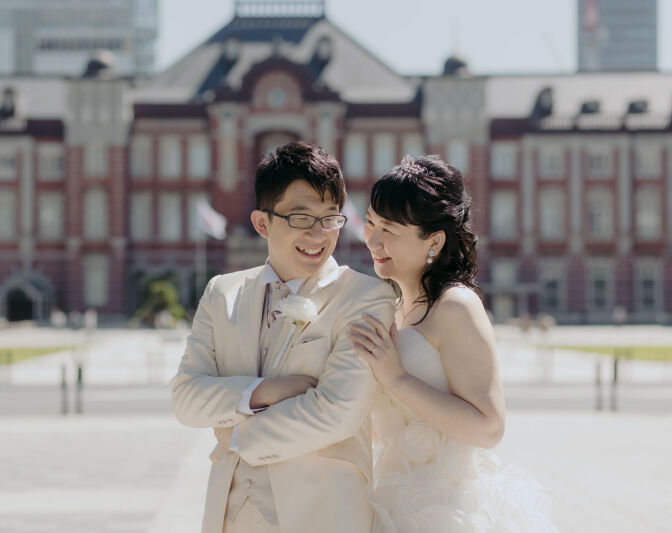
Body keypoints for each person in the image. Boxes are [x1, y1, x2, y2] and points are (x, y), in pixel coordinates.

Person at [171, 141, 395, 533]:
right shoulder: (222, 292)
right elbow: (186, 398)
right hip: (229, 517)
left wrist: (237, 436)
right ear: (262, 223)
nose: (318, 234)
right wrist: (265, 392)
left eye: (330, 219)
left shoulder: (366, 297)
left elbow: (337, 413)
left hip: (323, 516)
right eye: (300, 217)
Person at [348, 155, 557, 532]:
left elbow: (489, 427)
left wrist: (396, 380)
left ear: (434, 240)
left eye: (390, 229)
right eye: (371, 222)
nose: (373, 239)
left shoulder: (455, 305)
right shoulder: (392, 305)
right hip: (389, 496)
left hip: (446, 507)